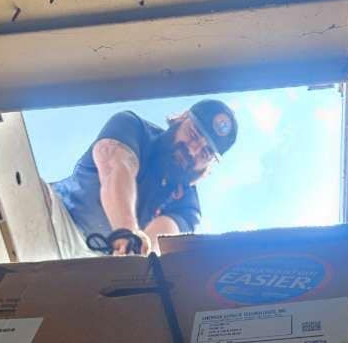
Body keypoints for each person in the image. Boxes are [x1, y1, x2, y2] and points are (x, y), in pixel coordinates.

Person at [44, 99, 238, 257]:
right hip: (57, 216)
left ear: (209, 165)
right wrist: (126, 232)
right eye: (193, 134)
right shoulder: (133, 127)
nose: (193, 150)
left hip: (93, 264)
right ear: (182, 118)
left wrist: (137, 251)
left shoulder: (189, 206)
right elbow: (117, 168)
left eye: (205, 153)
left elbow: (161, 237)